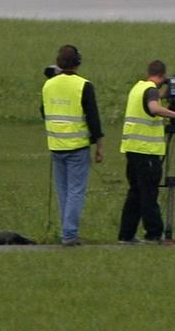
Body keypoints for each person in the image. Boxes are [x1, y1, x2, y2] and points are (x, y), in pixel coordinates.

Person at [117, 59, 175, 244]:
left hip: (132, 149)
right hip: (147, 152)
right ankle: (154, 233)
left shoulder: (138, 88)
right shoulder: (151, 91)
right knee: (149, 194)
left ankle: (126, 234)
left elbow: (150, 102)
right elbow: (153, 107)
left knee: (135, 192)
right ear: (163, 76)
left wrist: (164, 94)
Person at [41, 44, 104, 246]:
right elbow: (93, 119)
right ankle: (69, 235)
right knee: (76, 191)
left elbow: (44, 112)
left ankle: (66, 231)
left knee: (63, 191)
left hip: (56, 144)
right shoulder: (84, 85)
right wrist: (99, 145)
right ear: (78, 63)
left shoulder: (48, 85)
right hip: (77, 145)